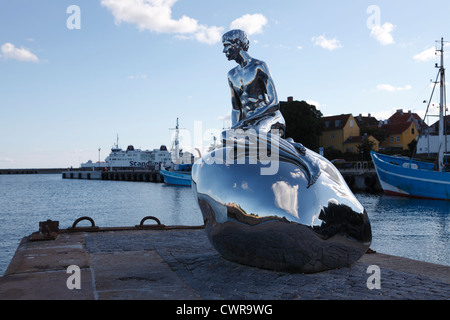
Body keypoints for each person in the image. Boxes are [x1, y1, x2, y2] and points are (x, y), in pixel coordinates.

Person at [222, 29, 285, 136]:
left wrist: (246, 121)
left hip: (269, 117)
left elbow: (274, 103)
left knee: (256, 132)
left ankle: (290, 146)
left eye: (226, 45)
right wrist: (235, 127)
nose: (224, 50)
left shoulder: (259, 66)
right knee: (225, 135)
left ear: (237, 44)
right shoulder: (231, 75)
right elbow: (236, 109)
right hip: (248, 123)